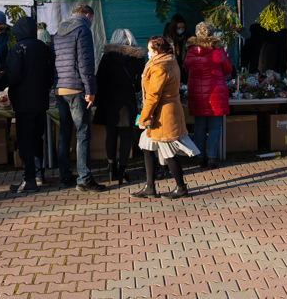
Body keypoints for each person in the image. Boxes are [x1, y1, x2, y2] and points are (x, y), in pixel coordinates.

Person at [132, 35, 200, 199]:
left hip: (163, 117)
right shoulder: (169, 61)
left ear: (156, 51)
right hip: (164, 114)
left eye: (149, 50)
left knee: (168, 152)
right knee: (147, 146)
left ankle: (181, 187)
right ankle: (150, 186)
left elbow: (153, 96)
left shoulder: (159, 67)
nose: (147, 53)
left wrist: (143, 118)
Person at [53, 4, 105, 192]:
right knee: (83, 133)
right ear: (87, 15)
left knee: (65, 132)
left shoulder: (58, 32)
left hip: (60, 88)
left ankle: (64, 175)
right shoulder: (83, 30)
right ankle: (84, 178)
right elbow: (86, 63)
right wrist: (91, 90)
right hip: (76, 89)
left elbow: (55, 61)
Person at [6, 16, 54, 194]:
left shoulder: (17, 49)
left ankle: (29, 178)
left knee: (25, 141)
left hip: (23, 102)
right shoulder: (43, 47)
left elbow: (13, 76)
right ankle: (39, 173)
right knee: (37, 138)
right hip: (41, 101)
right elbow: (50, 73)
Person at [95, 28, 146, 185]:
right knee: (126, 136)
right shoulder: (138, 58)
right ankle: (123, 170)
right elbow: (139, 84)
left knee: (111, 134)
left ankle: (111, 166)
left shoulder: (107, 56)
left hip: (109, 101)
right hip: (128, 101)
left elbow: (99, 79)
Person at [185, 22, 232, 169]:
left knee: (199, 126)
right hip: (215, 92)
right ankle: (212, 158)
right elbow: (228, 68)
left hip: (197, 92)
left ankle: (201, 157)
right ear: (212, 33)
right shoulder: (218, 50)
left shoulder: (191, 50)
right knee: (215, 127)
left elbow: (186, 68)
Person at [162, 13, 190, 82]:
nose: (181, 29)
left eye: (183, 28)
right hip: (172, 66)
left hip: (183, 65)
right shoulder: (167, 37)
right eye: (179, 28)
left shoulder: (186, 36)